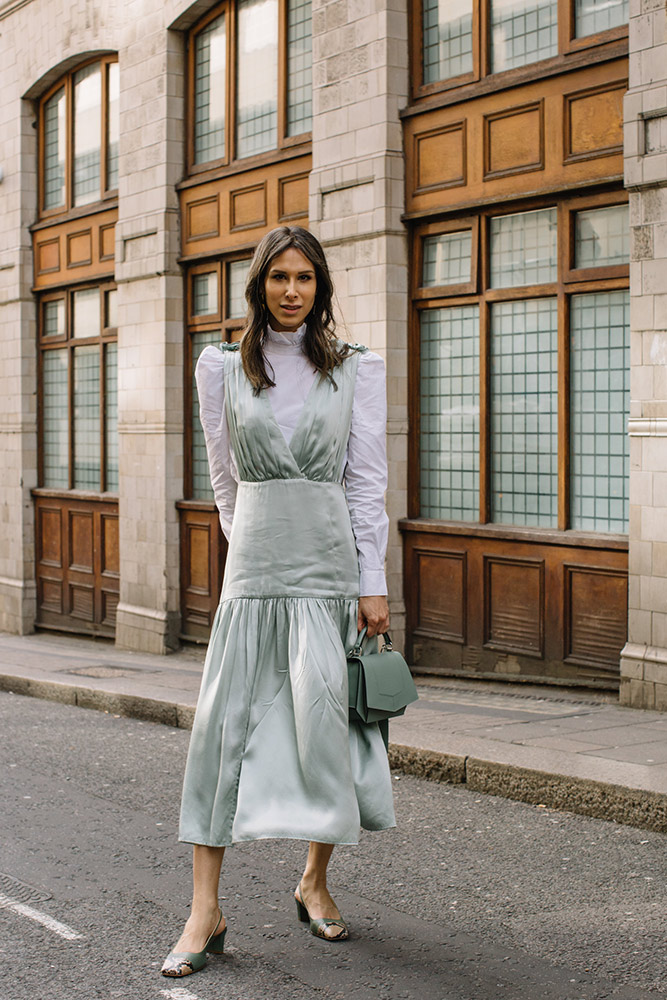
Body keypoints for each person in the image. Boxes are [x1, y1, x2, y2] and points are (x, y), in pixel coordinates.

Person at [161, 225, 396, 978]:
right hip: (258, 572)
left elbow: (365, 482)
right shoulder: (220, 368)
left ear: (320, 288)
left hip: (329, 571)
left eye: (305, 278)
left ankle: (314, 881)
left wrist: (372, 580)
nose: (292, 290)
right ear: (258, 285)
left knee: (326, 727)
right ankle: (205, 908)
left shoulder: (356, 370)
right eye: (278, 277)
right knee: (224, 733)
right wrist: (252, 544)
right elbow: (223, 479)